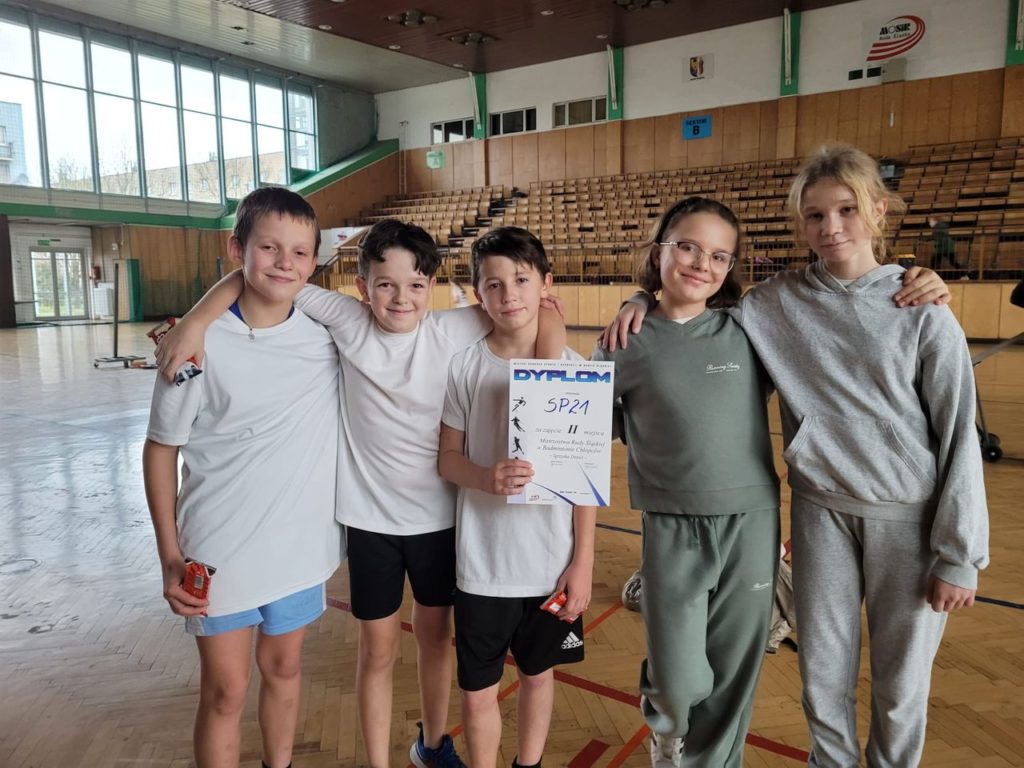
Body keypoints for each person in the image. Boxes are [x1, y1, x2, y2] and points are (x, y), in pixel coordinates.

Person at [607, 144, 989, 767]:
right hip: (820, 513)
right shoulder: (772, 303)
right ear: (801, 224)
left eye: (847, 210)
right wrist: (640, 298)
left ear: (878, 211)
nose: (831, 226)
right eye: (815, 215)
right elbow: (690, 308)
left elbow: (957, 435)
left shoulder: (923, 309)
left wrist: (961, 553)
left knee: (899, 692)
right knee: (822, 682)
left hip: (908, 520)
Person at [155, 218, 566, 768]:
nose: (400, 298)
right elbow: (265, 277)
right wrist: (197, 321)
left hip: (440, 521)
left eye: (415, 285)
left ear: (432, 287)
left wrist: (550, 366)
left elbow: (541, 310)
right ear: (362, 286)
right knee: (377, 651)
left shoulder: (450, 330)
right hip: (369, 523)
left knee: (435, 640)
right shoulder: (347, 319)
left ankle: (434, 745)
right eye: (385, 284)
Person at [143, 187, 343, 768]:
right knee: (226, 691)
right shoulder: (195, 347)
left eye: (299, 252)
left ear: (314, 261)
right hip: (218, 552)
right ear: (238, 249)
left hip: (300, 549)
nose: (285, 262)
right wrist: (169, 555)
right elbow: (160, 451)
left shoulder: (328, 336)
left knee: (285, 669)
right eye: (269, 247)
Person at [592, 197, 780, 767]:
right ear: (660, 252)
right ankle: (668, 727)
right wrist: (637, 300)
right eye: (689, 247)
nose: (702, 263)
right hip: (670, 523)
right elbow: (591, 424)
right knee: (678, 676)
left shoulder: (749, 328)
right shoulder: (624, 339)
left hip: (751, 521)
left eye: (720, 255)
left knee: (734, 670)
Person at [438, 227, 596, 768]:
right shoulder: (464, 366)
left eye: (522, 280)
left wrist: (583, 561)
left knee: (538, 676)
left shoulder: (574, 370)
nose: (509, 295)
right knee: (477, 693)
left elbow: (584, 481)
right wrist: (484, 477)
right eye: (494, 285)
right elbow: (447, 458)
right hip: (482, 567)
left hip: (550, 566)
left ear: (546, 284)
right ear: (477, 294)